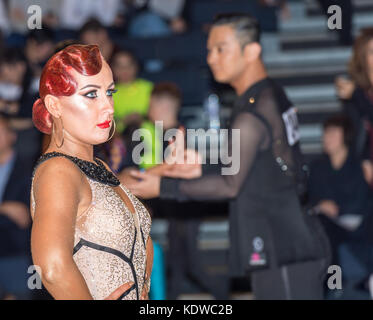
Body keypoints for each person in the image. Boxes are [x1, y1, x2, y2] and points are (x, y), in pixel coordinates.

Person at [127, 13, 330, 300]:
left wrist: (163, 187)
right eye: (209, 49)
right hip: (288, 236)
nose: (212, 58)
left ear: (252, 51)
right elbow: (256, 166)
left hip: (283, 244)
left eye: (221, 49)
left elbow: (231, 184)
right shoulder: (267, 94)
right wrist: (199, 169)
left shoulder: (252, 110)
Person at [30, 44, 153, 300]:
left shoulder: (100, 167)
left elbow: (139, 244)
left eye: (109, 92)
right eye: (90, 94)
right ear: (54, 105)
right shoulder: (58, 171)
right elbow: (52, 268)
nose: (108, 107)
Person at [308, 115, 373, 267]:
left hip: (356, 222)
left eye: (332, 133)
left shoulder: (358, 166)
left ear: (345, 136)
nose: (327, 138)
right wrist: (321, 206)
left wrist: (337, 209)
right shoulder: (317, 168)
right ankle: (333, 283)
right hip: (328, 223)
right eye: (325, 133)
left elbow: (362, 201)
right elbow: (310, 198)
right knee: (322, 227)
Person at [0, 112, 33, 299]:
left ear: (12, 135)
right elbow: (12, 213)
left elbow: (23, 217)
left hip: (18, 254)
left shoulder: (28, 168)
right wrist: (5, 208)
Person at [335, 28, 373, 184]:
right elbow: (356, 132)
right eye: (371, 52)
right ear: (362, 58)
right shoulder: (358, 92)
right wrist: (364, 160)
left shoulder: (356, 94)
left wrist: (355, 95)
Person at [111, 49, 153, 134]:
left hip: (148, 133)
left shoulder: (148, 88)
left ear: (136, 66)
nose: (125, 70)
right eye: (120, 66)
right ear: (112, 68)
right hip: (120, 136)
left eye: (129, 65)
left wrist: (142, 119)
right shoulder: (109, 93)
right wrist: (124, 122)